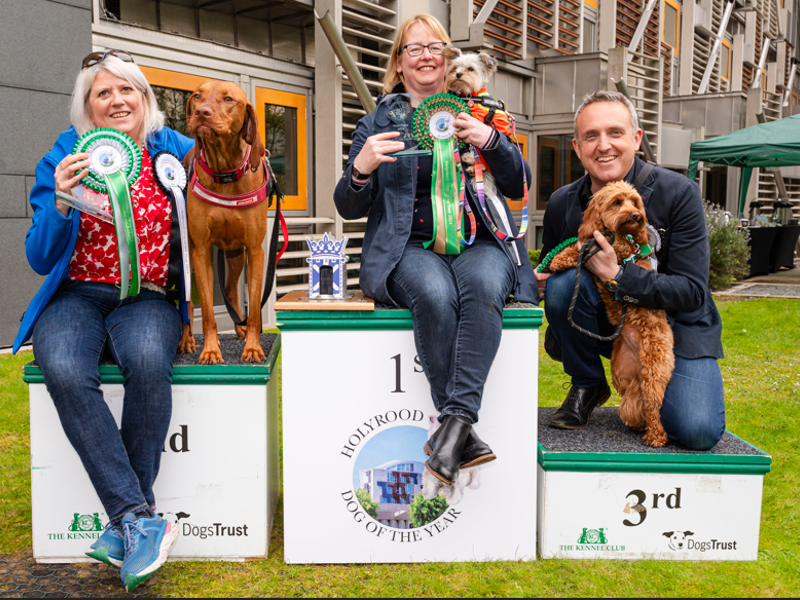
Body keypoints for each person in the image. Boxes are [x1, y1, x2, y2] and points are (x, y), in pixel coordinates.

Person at [13, 50, 194, 590]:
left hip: (148, 296)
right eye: (103, 93)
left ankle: (126, 523)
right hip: (77, 295)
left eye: (126, 90)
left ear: (144, 97)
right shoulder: (64, 156)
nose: (117, 101)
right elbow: (39, 256)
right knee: (64, 368)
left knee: (148, 360)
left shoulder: (175, 150)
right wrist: (61, 202)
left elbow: (224, 184)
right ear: (87, 106)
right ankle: (138, 517)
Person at [333, 15, 537, 485]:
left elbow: (519, 184)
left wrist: (491, 141)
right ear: (398, 63)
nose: (426, 55)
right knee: (434, 292)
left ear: (449, 59)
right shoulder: (375, 122)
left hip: (478, 239)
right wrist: (361, 169)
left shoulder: (481, 112)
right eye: (414, 48)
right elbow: (348, 206)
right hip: (406, 245)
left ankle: (454, 426)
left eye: (435, 47)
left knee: (484, 286)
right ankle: (462, 432)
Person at [537, 90, 725, 450]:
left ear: (636, 139)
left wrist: (620, 276)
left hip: (677, 327)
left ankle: (655, 396)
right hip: (608, 326)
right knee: (562, 285)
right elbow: (551, 267)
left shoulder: (679, 193)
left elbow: (692, 292)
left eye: (615, 133)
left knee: (697, 429)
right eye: (591, 136)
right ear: (577, 147)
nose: (603, 145)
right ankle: (587, 382)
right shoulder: (562, 202)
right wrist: (532, 283)